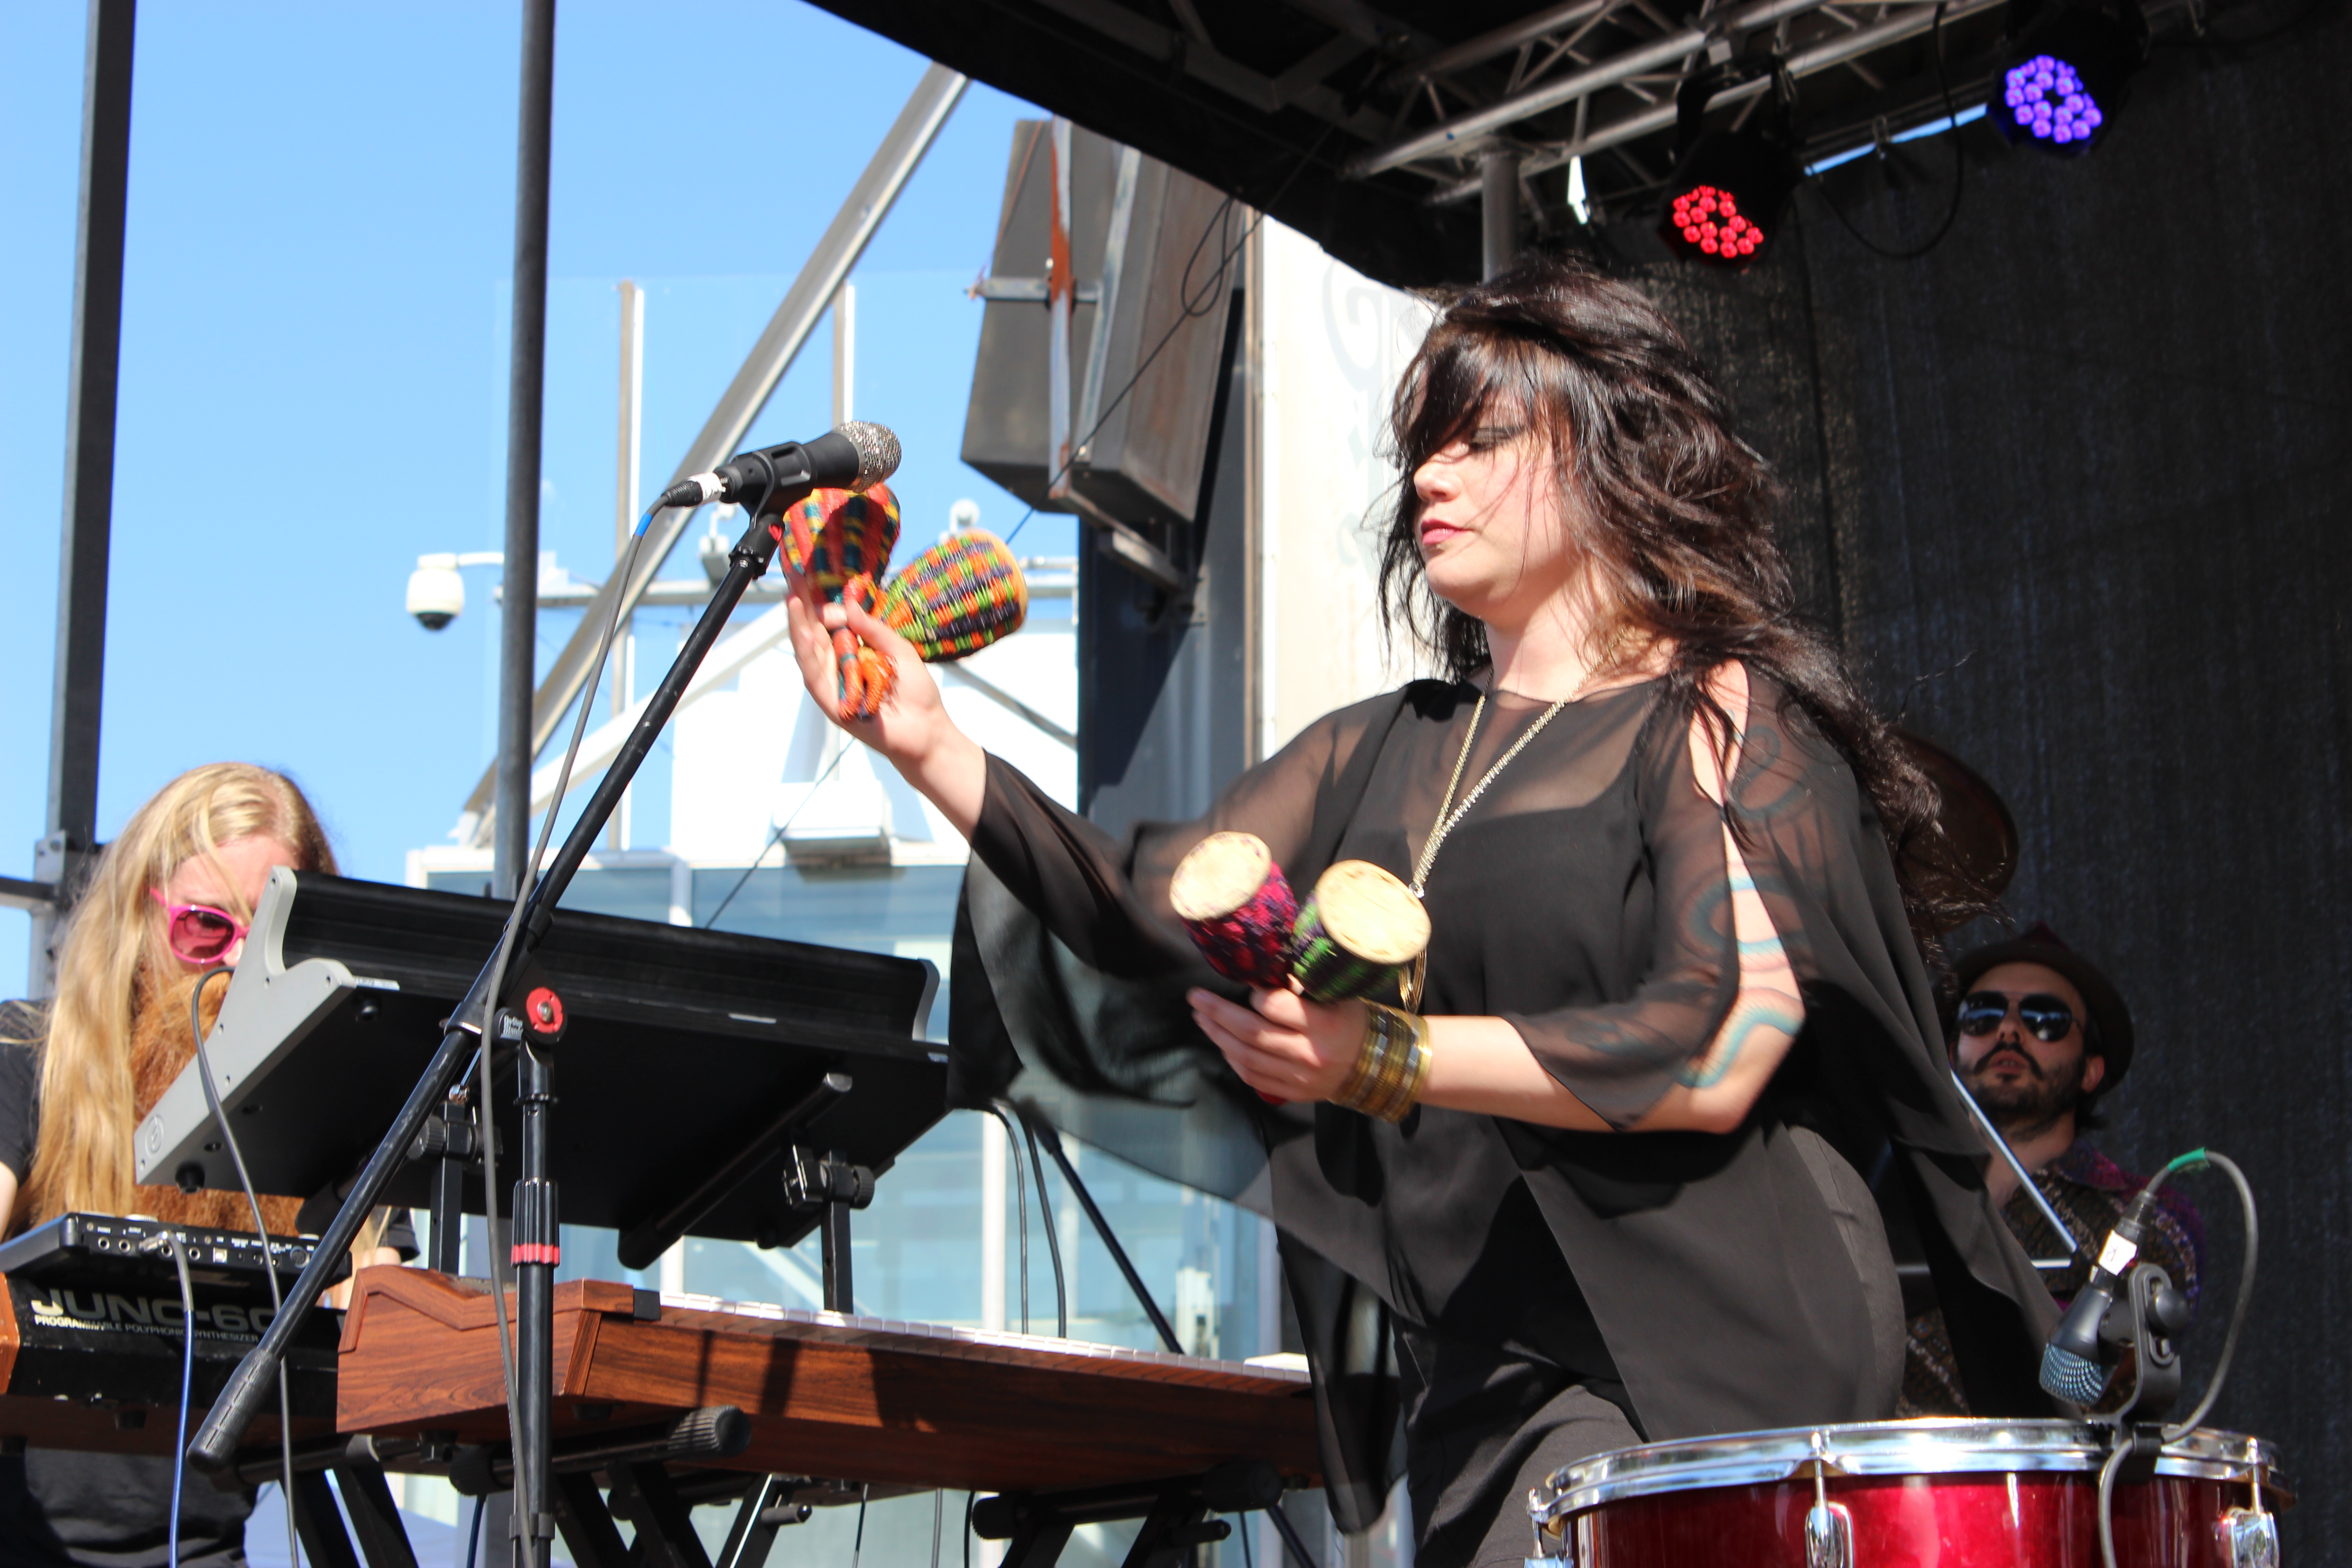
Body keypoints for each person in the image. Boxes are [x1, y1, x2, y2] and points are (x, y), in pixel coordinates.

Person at [785, 256, 2055, 1568]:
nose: (1430, 478)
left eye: (1480, 439)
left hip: (1724, 1318)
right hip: (1490, 1348)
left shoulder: (1712, 710)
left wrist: (1388, 1059)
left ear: (1609, 452)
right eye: (1419, 451)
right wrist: (921, 741)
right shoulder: (1386, 748)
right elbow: (1138, 911)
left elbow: (1715, 1041)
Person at [0, 763, 404, 1568]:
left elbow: (386, 1335)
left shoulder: (326, 1114)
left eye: (273, 942)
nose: (234, 972)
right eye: (205, 930)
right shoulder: (26, 1055)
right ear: (137, 921)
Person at [1900, 923, 2202, 1415]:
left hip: (2056, 1483)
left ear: (2091, 1070)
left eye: (2045, 1019)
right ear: (1951, 1052)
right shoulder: (1887, 1196)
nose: (2009, 1031)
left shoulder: (2148, 1217)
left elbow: (2089, 1384)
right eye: (1982, 1015)